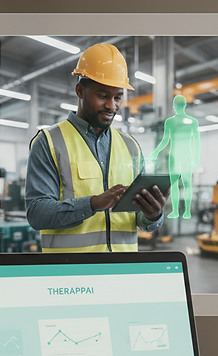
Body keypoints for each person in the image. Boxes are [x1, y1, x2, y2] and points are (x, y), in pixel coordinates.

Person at [25, 43, 169, 253]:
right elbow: (37, 214)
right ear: (80, 90)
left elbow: (140, 220)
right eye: (103, 96)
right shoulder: (49, 142)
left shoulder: (131, 146)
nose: (112, 105)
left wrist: (153, 214)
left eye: (118, 97)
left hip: (122, 273)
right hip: (72, 276)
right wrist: (92, 203)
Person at [149, 94, 201, 219]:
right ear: (185, 105)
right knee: (185, 185)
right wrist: (196, 156)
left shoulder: (172, 122)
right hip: (183, 156)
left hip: (176, 156)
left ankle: (179, 211)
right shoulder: (191, 122)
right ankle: (184, 211)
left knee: (176, 185)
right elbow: (197, 141)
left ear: (174, 106)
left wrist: (156, 151)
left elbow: (165, 140)